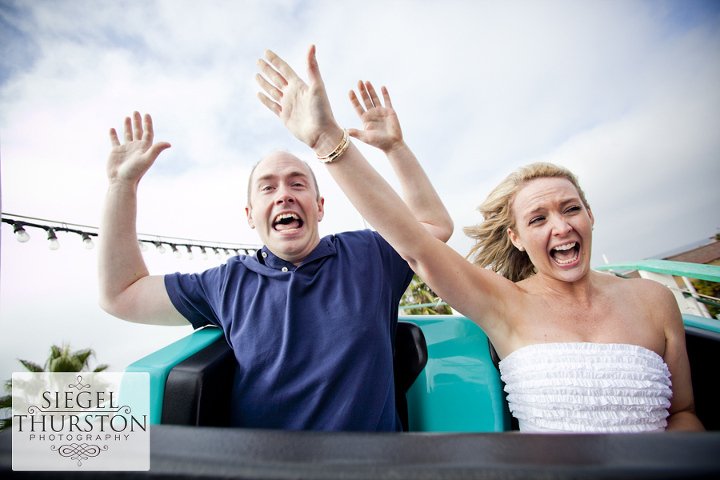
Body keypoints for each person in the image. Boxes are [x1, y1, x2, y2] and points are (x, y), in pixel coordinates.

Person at [255, 45, 704, 433]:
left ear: (590, 216)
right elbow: (418, 244)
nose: (561, 227)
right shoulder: (504, 302)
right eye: (539, 219)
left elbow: (684, 412)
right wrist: (327, 140)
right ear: (516, 238)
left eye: (570, 210)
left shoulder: (655, 299)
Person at [98, 102, 453, 429]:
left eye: (297, 184)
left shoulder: (370, 254)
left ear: (319, 207)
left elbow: (435, 228)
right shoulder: (226, 282)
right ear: (251, 216)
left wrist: (396, 148)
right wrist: (121, 185)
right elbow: (121, 294)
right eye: (267, 188)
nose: (284, 194)